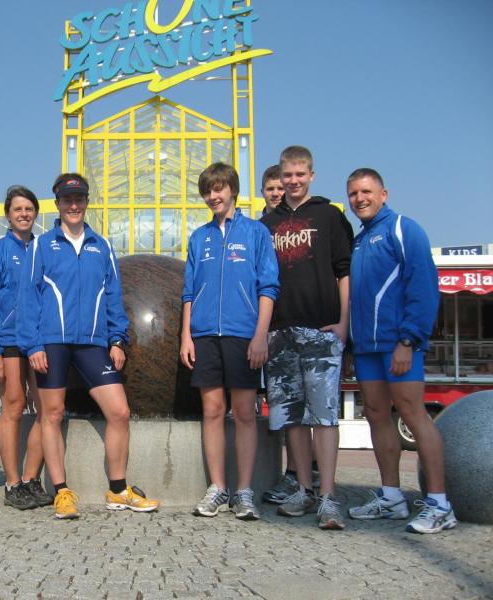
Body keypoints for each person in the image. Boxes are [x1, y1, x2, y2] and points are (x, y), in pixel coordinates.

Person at [17, 173, 159, 519]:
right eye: (67, 200)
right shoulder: (41, 245)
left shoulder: (102, 246)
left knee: (119, 411)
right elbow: (27, 299)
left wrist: (117, 339)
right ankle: (62, 492)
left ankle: (118, 490)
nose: (73, 205)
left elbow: (113, 296)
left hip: (93, 342)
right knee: (52, 414)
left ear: (86, 202)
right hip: (52, 342)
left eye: (79, 199)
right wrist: (33, 345)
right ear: (58, 205)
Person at [345, 168, 456, 534]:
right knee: (377, 414)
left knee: (413, 414)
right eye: (353, 193)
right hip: (367, 348)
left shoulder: (404, 228)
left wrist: (408, 340)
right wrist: (351, 347)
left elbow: (423, 286)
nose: (359, 199)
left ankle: (439, 504)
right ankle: (391, 497)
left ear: (384, 194)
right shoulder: (360, 241)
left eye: (366, 191)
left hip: (398, 343)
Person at [260, 146, 354, 530]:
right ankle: (303, 488)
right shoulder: (266, 225)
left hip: (321, 329)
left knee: (324, 415)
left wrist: (344, 323)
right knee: (292, 417)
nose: (293, 181)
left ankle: (328, 495)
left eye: (300, 174)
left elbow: (344, 271)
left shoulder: (329, 216)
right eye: (288, 175)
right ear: (280, 177)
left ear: (311, 175)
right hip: (280, 332)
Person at [180, 162, 279, 520]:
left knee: (244, 414)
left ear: (232, 190)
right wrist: (186, 336)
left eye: (219, 188)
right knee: (212, 411)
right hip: (205, 334)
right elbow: (189, 291)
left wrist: (260, 335)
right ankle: (218, 488)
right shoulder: (199, 237)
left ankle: (244, 491)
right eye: (207, 191)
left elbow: (268, 286)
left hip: (243, 334)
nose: (213, 196)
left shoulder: (256, 233)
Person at [0, 185, 52, 510]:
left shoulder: (43, 249)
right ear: (8, 215)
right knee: (13, 405)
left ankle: (31, 478)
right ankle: (12, 483)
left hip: (38, 340)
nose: (24, 214)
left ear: (36, 214)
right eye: (17, 209)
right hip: (6, 340)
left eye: (29, 209)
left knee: (46, 409)